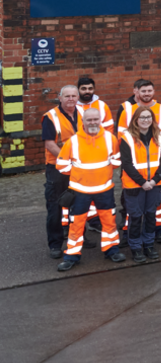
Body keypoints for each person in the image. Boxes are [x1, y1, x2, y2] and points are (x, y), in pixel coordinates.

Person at [55, 108, 122, 271]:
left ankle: (111, 249)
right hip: (79, 192)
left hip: (104, 190)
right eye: (89, 120)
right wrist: (81, 176)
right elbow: (61, 165)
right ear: (82, 122)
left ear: (100, 120)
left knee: (109, 222)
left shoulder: (110, 139)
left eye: (95, 119)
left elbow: (116, 161)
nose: (92, 122)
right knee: (76, 225)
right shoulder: (73, 141)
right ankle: (72, 255)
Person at [119, 106, 161, 263]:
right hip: (134, 186)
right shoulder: (126, 137)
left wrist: (154, 180)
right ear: (135, 120)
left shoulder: (160, 136)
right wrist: (142, 182)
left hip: (155, 184)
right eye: (142, 117)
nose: (146, 120)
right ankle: (135, 247)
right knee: (135, 217)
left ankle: (148, 244)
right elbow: (126, 164)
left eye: (148, 117)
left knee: (150, 215)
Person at [43, 85, 80, 259]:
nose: (71, 99)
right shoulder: (50, 117)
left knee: (79, 204)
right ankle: (55, 244)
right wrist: (68, 160)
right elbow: (50, 144)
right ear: (60, 97)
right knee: (55, 207)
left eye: (74, 95)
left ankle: (79, 237)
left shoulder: (83, 114)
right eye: (67, 96)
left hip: (79, 168)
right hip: (57, 168)